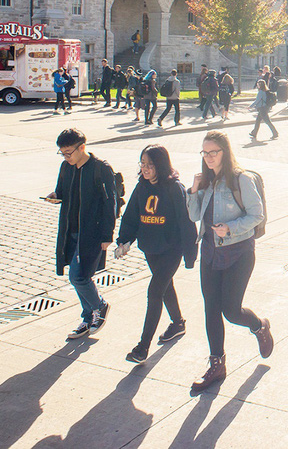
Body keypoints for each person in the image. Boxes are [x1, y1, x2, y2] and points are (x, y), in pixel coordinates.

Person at [187, 130, 273, 391]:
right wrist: (193, 189)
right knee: (211, 308)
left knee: (231, 310)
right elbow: (193, 216)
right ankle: (217, 364)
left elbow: (256, 215)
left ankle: (259, 326)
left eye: (214, 152)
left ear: (225, 152)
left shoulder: (241, 179)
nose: (209, 157)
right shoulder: (206, 182)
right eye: (205, 152)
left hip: (239, 252)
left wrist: (231, 228)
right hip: (210, 253)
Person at [115, 145, 196, 364]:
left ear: (161, 165)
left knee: (154, 291)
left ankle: (142, 347)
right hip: (150, 248)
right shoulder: (141, 187)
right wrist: (124, 241)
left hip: (171, 250)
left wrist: (190, 253)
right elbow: (131, 216)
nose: (146, 168)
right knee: (165, 286)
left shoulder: (174, 188)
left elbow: (186, 221)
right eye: (142, 164)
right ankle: (178, 323)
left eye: (150, 164)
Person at [46, 129, 117, 340]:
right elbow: (61, 191)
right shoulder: (65, 168)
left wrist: (107, 235)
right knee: (80, 275)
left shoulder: (100, 169)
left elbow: (109, 203)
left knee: (78, 276)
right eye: (63, 153)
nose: (66, 157)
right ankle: (88, 318)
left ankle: (100, 306)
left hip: (92, 233)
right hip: (70, 230)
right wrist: (54, 196)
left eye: (69, 152)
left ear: (82, 147)